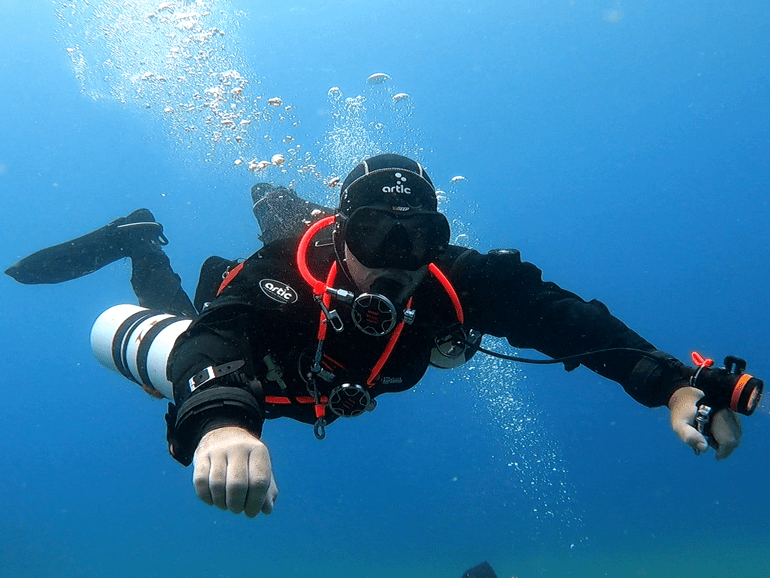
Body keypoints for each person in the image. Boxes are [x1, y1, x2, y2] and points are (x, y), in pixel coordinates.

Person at [5, 153, 755, 519]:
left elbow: (568, 323)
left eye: (419, 235)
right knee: (169, 347)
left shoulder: (454, 282)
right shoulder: (283, 276)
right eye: (372, 232)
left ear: (439, 237)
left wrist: (674, 383)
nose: (399, 260)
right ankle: (143, 241)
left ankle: (277, 199)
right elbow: (220, 338)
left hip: (322, 382)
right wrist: (223, 421)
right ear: (341, 233)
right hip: (266, 363)